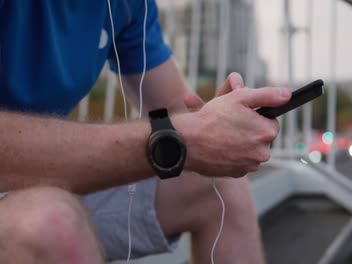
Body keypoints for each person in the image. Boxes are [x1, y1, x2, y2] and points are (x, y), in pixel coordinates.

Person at [0, 1, 291, 263]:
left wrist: (218, 123)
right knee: (52, 226)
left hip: (35, 183)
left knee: (218, 184)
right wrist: (185, 136)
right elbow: (179, 133)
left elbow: (175, 110)